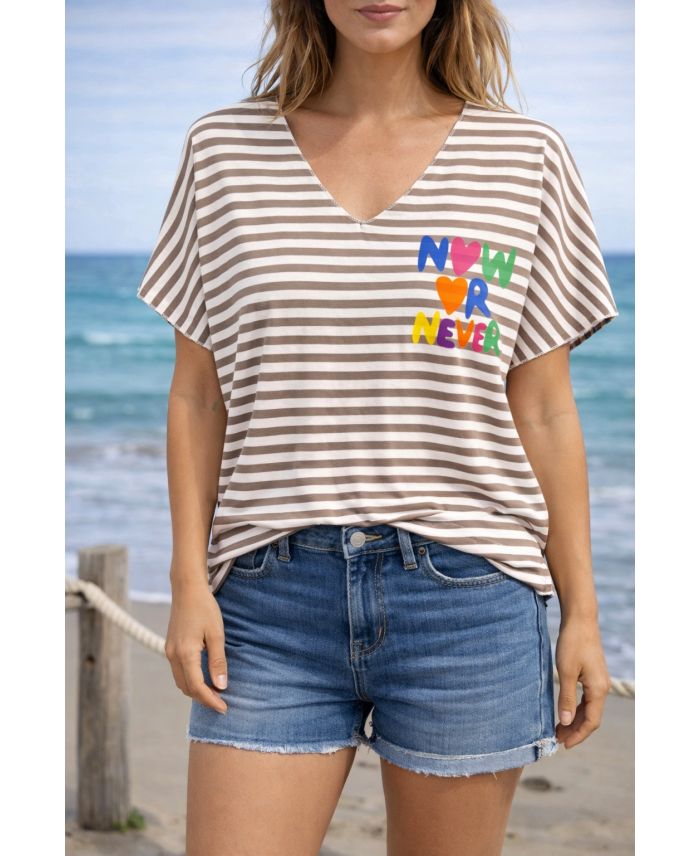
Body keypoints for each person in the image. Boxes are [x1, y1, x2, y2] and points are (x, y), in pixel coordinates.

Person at [136, 1, 620, 853]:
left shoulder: (525, 159)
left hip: (470, 600)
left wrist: (583, 611)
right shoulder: (223, 152)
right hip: (268, 599)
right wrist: (188, 582)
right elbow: (198, 396)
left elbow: (544, 408)